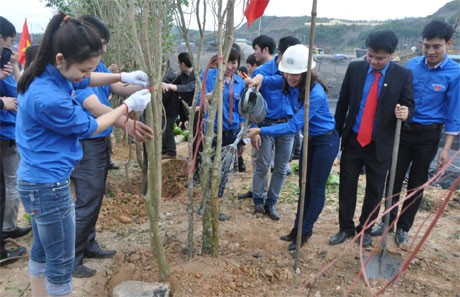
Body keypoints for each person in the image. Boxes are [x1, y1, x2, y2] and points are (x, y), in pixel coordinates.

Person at [15, 13, 152, 297]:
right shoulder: (49, 98)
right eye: (85, 69)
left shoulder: (47, 73)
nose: (88, 75)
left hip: (35, 180)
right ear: (62, 59)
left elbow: (84, 81)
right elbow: (91, 126)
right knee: (61, 262)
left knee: (42, 249)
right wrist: (126, 107)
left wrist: (121, 76)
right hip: (48, 187)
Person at [70, 14, 153, 278]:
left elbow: (117, 86)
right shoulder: (77, 69)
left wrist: (144, 85)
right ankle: (72, 257)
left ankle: (88, 243)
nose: (103, 49)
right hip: (86, 142)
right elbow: (94, 106)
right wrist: (125, 119)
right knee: (86, 200)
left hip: (99, 139)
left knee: (94, 197)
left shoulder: (97, 63)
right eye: (100, 43)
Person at [370, 21, 460, 250]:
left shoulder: (455, 73)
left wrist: (446, 149)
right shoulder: (411, 65)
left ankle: (403, 228)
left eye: (437, 47)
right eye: (427, 46)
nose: (430, 52)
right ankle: (386, 222)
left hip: (429, 135)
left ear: (448, 44)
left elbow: (453, 112)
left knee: (417, 183)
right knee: (394, 178)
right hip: (403, 131)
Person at [247, 44, 339, 250]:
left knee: (315, 188)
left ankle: (304, 232)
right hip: (311, 140)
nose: (290, 77)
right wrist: (258, 78)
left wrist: (261, 131)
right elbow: (269, 81)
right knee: (303, 186)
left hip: (326, 141)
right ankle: (296, 230)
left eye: (296, 74)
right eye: (287, 73)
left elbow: (293, 125)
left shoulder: (314, 94)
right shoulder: (286, 81)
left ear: (307, 72)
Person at [329, 30, 414, 248]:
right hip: (354, 139)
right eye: (370, 56)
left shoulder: (402, 75)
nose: (373, 62)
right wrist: (336, 133)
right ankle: (345, 227)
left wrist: (406, 113)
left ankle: (365, 229)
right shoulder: (356, 68)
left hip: (381, 143)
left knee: (375, 189)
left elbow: (409, 104)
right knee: (347, 185)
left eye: (380, 58)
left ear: (392, 54)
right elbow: (343, 104)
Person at [250, 36, 301, 220]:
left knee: (281, 167)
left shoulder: (297, 74)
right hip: (266, 126)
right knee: (262, 165)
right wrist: (254, 128)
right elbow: (251, 102)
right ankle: (258, 200)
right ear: (280, 54)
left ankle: (271, 202)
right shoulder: (261, 72)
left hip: (287, 126)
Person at [197, 46, 245, 220]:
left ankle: (215, 205)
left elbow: (241, 111)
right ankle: (204, 204)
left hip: (231, 132)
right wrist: (214, 93)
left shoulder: (240, 82)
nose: (230, 67)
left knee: (223, 170)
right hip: (213, 131)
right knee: (209, 168)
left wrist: (241, 139)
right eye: (226, 62)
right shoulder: (209, 76)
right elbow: (200, 101)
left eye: (233, 62)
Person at [0, 16, 32, 244]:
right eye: (10, 41)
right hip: (5, 133)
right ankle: (7, 227)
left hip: (8, 132)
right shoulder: (4, 69)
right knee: (11, 183)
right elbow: (20, 93)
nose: (11, 47)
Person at [161, 52, 196, 159]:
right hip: (182, 108)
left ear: (183, 64)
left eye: (179, 63)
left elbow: (189, 88)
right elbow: (173, 81)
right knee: (167, 125)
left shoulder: (196, 75)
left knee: (196, 132)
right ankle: (169, 151)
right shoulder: (182, 76)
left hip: (196, 108)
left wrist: (171, 86)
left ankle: (195, 156)